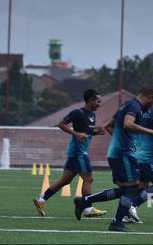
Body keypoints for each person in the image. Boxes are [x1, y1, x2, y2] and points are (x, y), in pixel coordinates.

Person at [74, 87, 153, 232]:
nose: (152, 105)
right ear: (150, 96)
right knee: (132, 189)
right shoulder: (135, 106)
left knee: (126, 189)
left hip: (117, 153)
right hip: (123, 154)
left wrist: (124, 141)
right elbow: (128, 124)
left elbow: (108, 126)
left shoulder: (126, 105)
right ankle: (116, 223)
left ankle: (85, 200)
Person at [33, 89, 107, 218]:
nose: (99, 104)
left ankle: (41, 200)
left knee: (65, 181)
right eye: (98, 101)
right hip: (79, 152)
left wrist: (96, 132)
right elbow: (61, 124)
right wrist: (76, 133)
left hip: (76, 152)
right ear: (90, 100)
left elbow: (85, 131)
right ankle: (88, 209)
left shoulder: (92, 115)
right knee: (88, 179)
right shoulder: (78, 112)